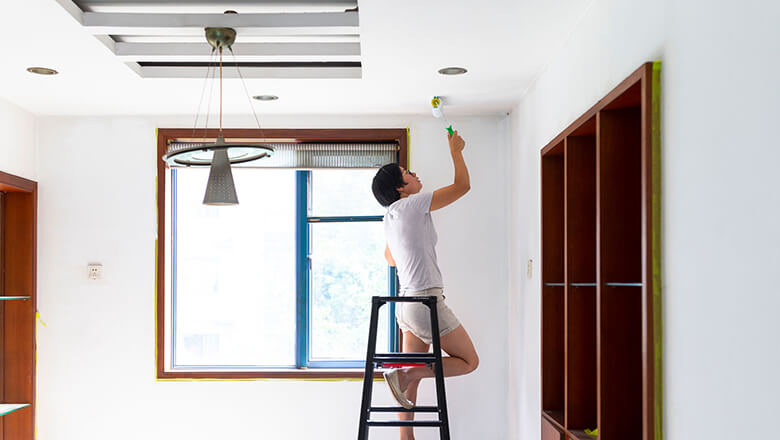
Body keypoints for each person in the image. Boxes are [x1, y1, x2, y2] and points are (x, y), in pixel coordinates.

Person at [371, 131, 479, 440]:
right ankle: (407, 371)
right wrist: (456, 151)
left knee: (411, 383)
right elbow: (463, 186)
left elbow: (390, 259)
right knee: (469, 361)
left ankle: (406, 437)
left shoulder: (390, 216)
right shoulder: (413, 205)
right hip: (425, 302)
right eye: (407, 174)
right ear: (400, 188)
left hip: (406, 306)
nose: (415, 175)